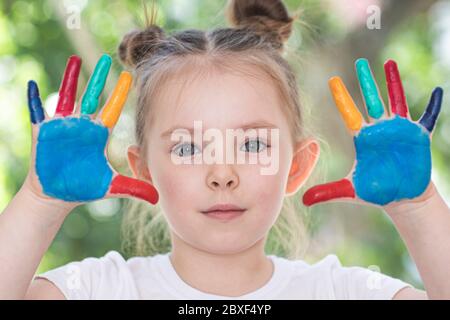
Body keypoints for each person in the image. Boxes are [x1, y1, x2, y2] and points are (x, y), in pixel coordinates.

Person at [1, 0, 449, 300]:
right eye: (187, 148)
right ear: (143, 171)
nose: (222, 173)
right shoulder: (100, 289)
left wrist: (418, 206)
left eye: (253, 143)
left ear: (296, 167)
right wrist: (40, 203)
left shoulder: (341, 292)